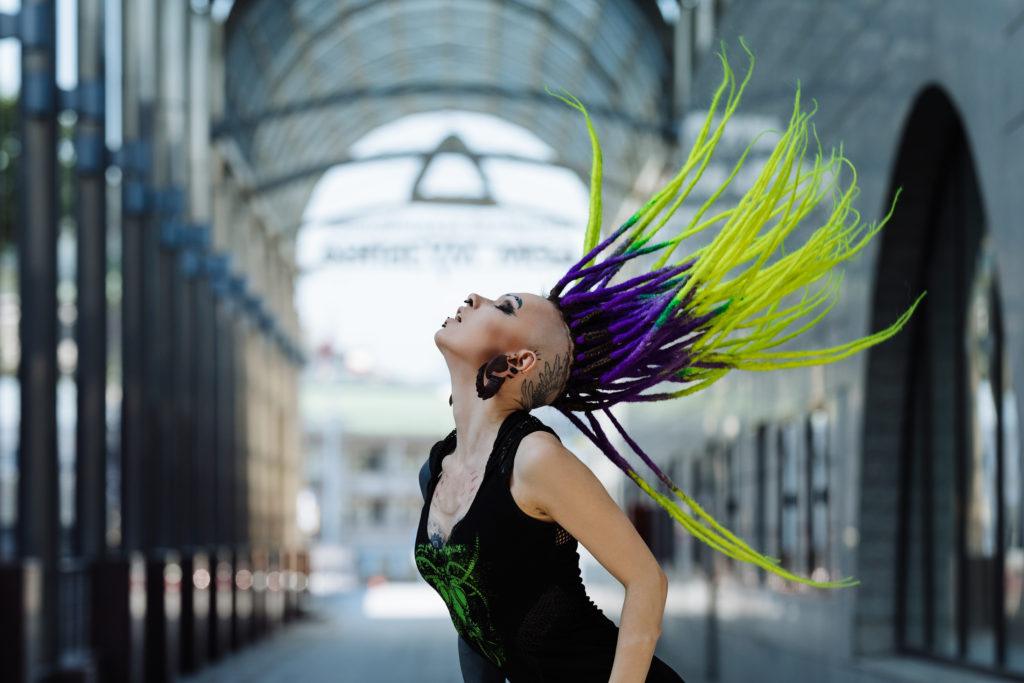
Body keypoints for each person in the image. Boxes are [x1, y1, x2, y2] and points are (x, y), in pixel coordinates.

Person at [414, 40, 922, 682]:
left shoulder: (536, 459)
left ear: (514, 362)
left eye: (506, 304)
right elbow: (475, 624)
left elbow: (647, 583)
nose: (477, 297)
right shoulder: (438, 469)